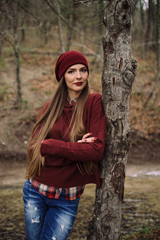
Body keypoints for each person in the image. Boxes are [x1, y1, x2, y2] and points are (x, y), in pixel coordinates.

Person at [23, 50, 106, 240]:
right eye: (71, 71)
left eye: (83, 70)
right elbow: (34, 150)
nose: (79, 76)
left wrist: (51, 146)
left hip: (67, 199)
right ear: (62, 76)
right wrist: (76, 147)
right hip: (36, 191)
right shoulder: (49, 108)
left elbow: (95, 150)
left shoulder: (93, 102)